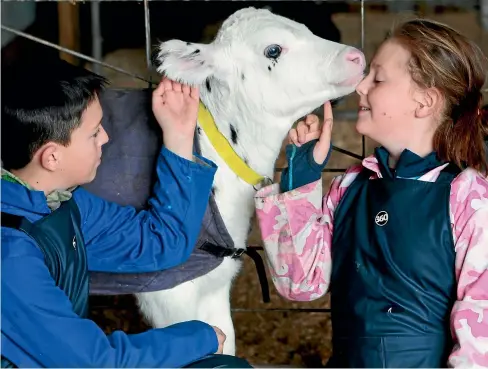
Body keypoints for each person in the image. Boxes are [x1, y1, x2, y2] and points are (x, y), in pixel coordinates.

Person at [253, 19, 488, 368]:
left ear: (424, 101)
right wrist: (299, 180)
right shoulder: (349, 187)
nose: (360, 85)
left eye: (377, 78)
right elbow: (301, 283)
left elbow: (480, 334)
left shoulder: (468, 196)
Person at [1, 59, 252, 368]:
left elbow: (161, 243)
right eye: (93, 134)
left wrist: (179, 137)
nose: (105, 138)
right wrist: (202, 337)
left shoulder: (59, 203)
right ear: (52, 157)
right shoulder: (10, 255)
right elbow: (96, 363)